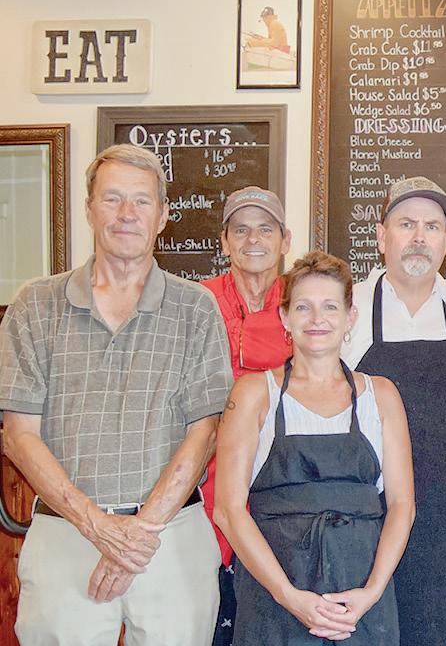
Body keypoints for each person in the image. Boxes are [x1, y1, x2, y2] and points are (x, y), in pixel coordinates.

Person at [0, 143, 231, 645]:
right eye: (112, 199)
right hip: (65, 536)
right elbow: (18, 436)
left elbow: (205, 433)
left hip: (170, 540)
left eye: (142, 201)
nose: (127, 213)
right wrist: (96, 525)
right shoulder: (35, 305)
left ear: (163, 216)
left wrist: (138, 534)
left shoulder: (196, 309)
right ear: (89, 209)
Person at [343, 175, 446, 646]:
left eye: (432, 226)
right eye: (406, 224)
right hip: (365, 529)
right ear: (381, 236)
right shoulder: (346, 310)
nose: (419, 237)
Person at [215, 251, 413, 644]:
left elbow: (402, 505)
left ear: (350, 317)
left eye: (330, 307)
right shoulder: (255, 394)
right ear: (285, 317)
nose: (317, 319)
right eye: (303, 307)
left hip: (360, 601)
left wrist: (371, 592)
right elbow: (228, 510)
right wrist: (289, 597)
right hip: (274, 597)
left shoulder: (381, 396)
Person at [201, 184, 293, 646]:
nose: (252, 239)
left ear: (285, 240)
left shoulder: (303, 301)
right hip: (207, 483)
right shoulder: (196, 303)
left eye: (265, 229)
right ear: (224, 241)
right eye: (240, 230)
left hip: (283, 488)